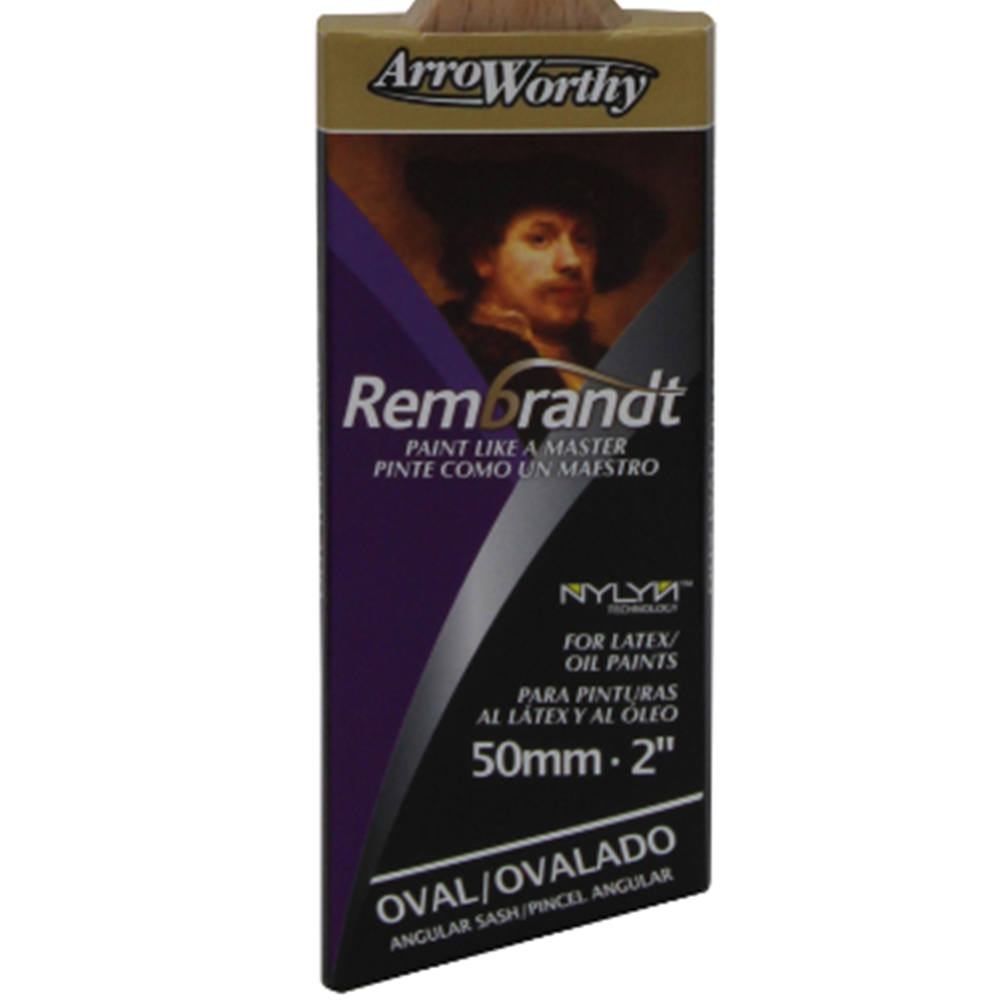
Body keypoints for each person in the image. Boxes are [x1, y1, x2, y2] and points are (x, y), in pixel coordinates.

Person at [406, 154, 666, 392]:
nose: (572, 261)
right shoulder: (442, 358)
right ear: (483, 257)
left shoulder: (611, 366)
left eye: (583, 240)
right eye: (540, 239)